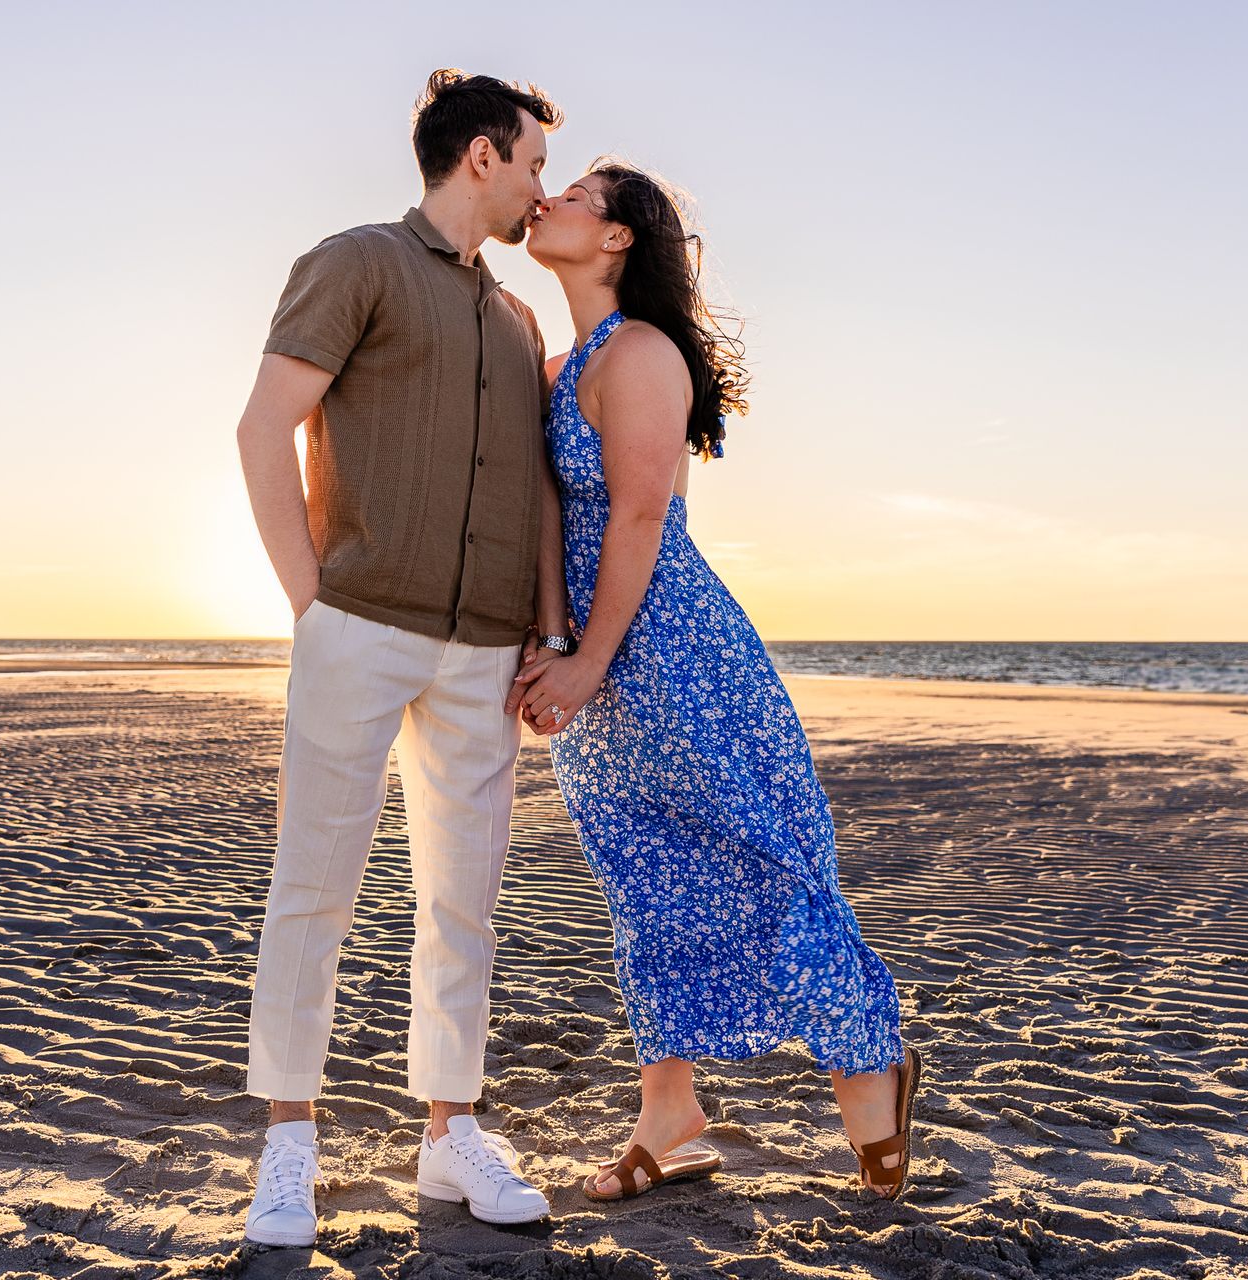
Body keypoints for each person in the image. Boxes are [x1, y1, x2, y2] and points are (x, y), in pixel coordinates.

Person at [509, 162, 923, 1202]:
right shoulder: (563, 363)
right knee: (646, 875)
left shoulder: (642, 352)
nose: (547, 197)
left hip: (676, 645)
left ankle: (868, 1062)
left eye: (574, 193)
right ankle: (671, 1111)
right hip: (604, 651)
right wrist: (554, 638)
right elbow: (555, 513)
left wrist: (592, 656)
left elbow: (643, 516)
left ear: (616, 240)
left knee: (763, 850)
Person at [234, 70, 572, 1246]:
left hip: (483, 652)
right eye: (531, 161)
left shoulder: (519, 320)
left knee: (463, 900)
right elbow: (261, 424)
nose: (540, 187)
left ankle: (448, 1136)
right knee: (316, 884)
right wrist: (311, 602)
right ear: (481, 155)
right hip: (358, 626)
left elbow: (535, 491)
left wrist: (547, 629)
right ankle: (288, 1143)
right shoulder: (357, 262)